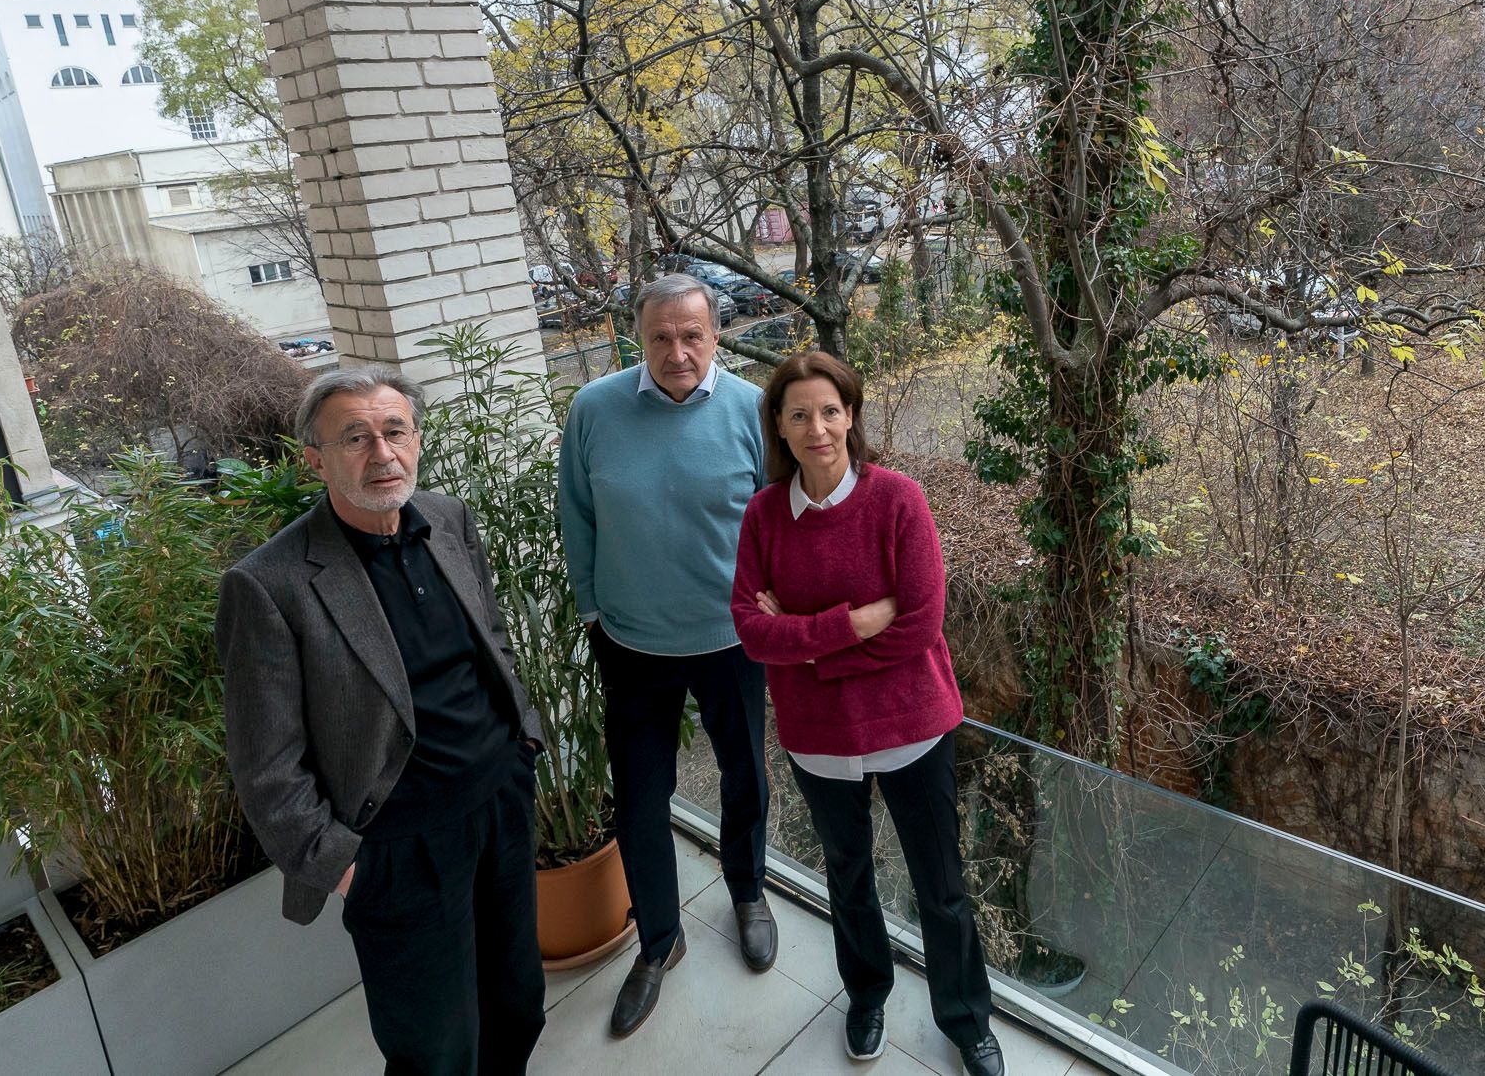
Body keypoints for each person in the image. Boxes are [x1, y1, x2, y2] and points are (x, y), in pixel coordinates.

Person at [217, 367, 545, 1076]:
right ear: (315, 458)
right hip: (398, 849)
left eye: (394, 430)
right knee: (434, 1047)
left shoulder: (447, 517)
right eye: (355, 437)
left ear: (417, 438)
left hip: (500, 807)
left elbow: (492, 635)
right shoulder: (269, 584)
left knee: (518, 1002)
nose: (382, 452)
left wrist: (525, 745)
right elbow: (266, 765)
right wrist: (346, 869)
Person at [731, 351, 1003, 1076]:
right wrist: (851, 626)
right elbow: (752, 630)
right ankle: (867, 993)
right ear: (780, 429)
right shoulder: (764, 516)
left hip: (914, 731)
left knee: (940, 887)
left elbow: (919, 623)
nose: (817, 426)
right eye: (799, 414)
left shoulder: (898, 499)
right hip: (818, 742)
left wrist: (810, 643)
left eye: (829, 409)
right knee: (848, 878)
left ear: (851, 415)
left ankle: (966, 1019)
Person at [558, 272, 776, 1037]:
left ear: (716, 333)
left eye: (692, 335)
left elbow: (779, 522)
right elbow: (575, 516)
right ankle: (659, 939)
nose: (677, 351)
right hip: (631, 644)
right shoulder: (594, 410)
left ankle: (747, 889)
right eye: (661, 336)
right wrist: (592, 610)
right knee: (640, 802)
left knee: (745, 771)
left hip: (732, 641)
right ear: (638, 338)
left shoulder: (754, 410)